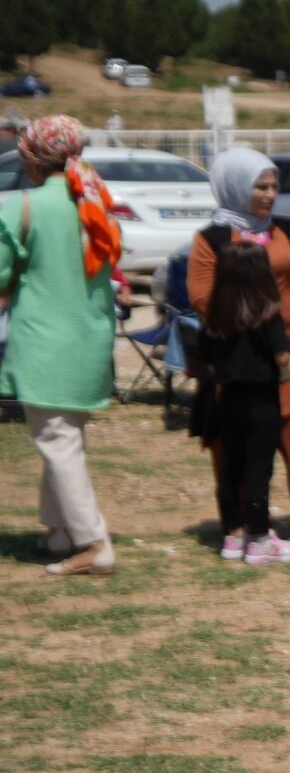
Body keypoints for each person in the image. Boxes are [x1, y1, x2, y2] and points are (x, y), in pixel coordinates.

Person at [188, 149, 290, 539]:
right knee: (234, 434)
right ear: (236, 188)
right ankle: (243, 520)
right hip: (238, 354)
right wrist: (248, 314)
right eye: (260, 187)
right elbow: (200, 296)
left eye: (274, 186)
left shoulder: (285, 229)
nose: (270, 195)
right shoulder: (212, 239)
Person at [1, 117, 120, 576]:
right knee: (67, 435)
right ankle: (58, 532)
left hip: (44, 342)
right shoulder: (96, 202)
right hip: (90, 338)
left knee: (56, 439)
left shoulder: (23, 206)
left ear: (32, 159)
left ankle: (93, 542)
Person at [191, 239, 290, 565]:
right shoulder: (267, 313)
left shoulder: (214, 317)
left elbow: (207, 361)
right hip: (262, 400)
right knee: (259, 469)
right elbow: (282, 356)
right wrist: (289, 371)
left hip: (227, 400)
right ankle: (259, 539)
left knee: (230, 468)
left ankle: (233, 534)